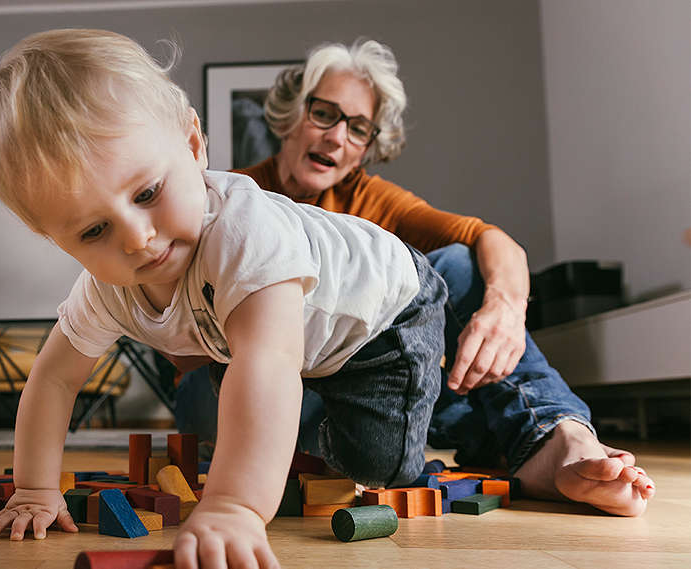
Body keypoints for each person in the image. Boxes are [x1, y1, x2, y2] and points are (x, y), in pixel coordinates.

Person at [0, 28, 448, 568]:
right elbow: (55, 378)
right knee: (251, 414)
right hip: (289, 341)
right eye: (93, 231)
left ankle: (442, 400)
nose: (135, 238)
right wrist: (35, 490)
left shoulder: (244, 234)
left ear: (194, 146)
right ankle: (326, 407)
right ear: (55, 239)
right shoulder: (104, 290)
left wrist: (235, 505)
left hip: (387, 311)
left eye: (147, 193)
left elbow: (267, 362)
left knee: (380, 466)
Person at [208, 38, 652, 517]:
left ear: (364, 150)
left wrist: (505, 309)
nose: (337, 137)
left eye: (358, 128)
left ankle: (555, 436)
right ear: (290, 116)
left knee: (458, 264)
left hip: (366, 391)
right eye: (324, 113)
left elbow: (490, 240)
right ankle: (506, 442)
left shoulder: (373, 198)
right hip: (250, 389)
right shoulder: (236, 197)